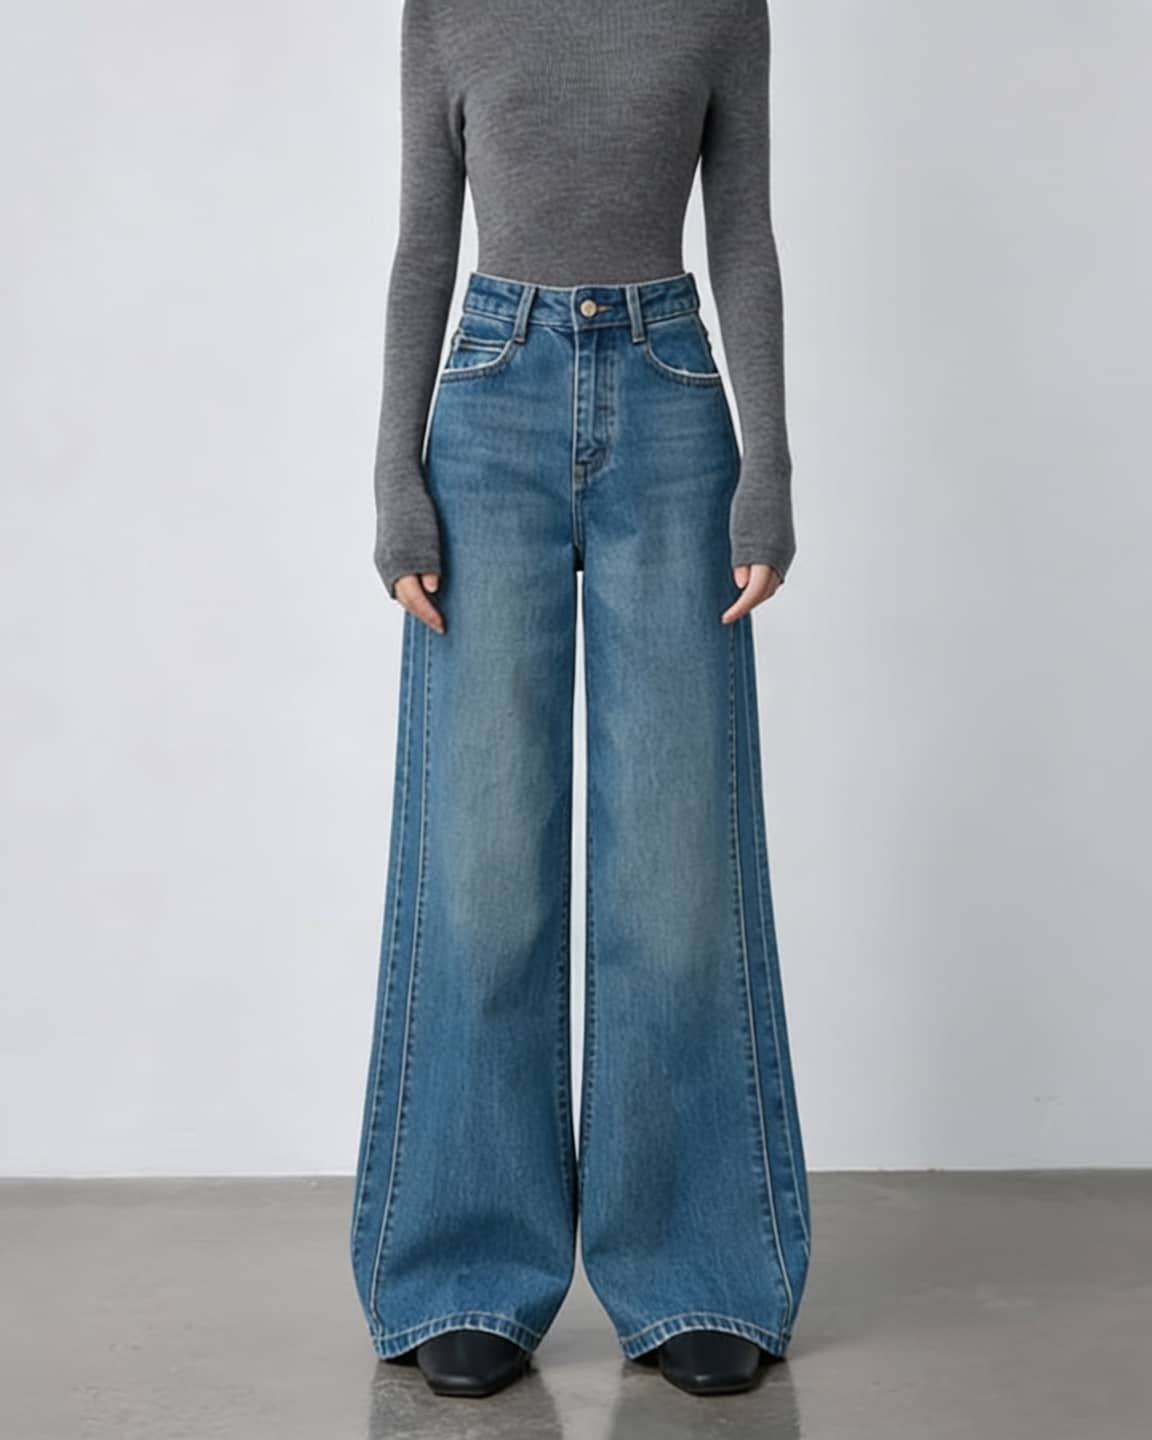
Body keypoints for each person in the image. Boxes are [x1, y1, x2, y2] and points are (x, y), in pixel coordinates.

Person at [350, 0, 811, 1399]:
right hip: (486, 406)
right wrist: (395, 477)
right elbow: (424, 242)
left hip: (674, 403)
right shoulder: (450, 8)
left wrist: (769, 470)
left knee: (675, 871)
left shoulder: (720, 7)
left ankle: (694, 1270)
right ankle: (467, 1268)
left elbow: (743, 235)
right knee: (485, 866)